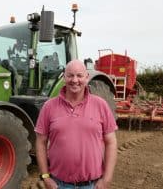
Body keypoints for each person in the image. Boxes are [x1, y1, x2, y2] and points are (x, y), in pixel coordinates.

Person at [35, 60, 118, 189]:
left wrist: (107, 179)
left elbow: (111, 142)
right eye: (70, 75)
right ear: (64, 77)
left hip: (92, 185)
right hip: (59, 185)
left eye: (79, 75)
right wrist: (45, 177)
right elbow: (40, 142)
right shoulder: (49, 107)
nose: (75, 80)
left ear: (87, 77)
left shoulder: (100, 105)